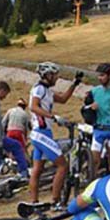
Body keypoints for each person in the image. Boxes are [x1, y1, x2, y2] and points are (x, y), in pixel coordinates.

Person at [25, 62, 83, 208]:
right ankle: (55, 201)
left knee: (37, 170)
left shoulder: (47, 91)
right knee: (63, 165)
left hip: (42, 134)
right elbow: (33, 106)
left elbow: (63, 99)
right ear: (47, 75)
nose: (57, 78)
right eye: (55, 75)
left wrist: (75, 84)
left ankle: (34, 202)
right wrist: (53, 117)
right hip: (41, 133)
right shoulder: (39, 89)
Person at [82, 63, 110, 173]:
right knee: (94, 161)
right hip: (98, 129)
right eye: (99, 75)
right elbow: (84, 108)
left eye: (102, 75)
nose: (99, 78)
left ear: (109, 75)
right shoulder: (94, 92)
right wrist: (91, 108)